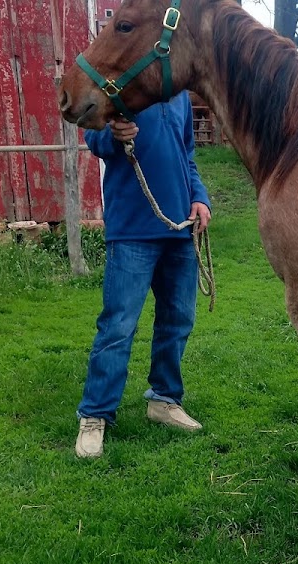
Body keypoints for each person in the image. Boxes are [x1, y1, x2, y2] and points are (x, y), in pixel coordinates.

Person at [75, 90, 212, 458]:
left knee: (177, 320)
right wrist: (112, 136)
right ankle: (95, 415)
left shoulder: (180, 94)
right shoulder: (123, 86)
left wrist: (199, 197)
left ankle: (164, 400)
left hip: (179, 227)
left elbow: (187, 155)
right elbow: (92, 136)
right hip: (133, 230)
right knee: (118, 326)